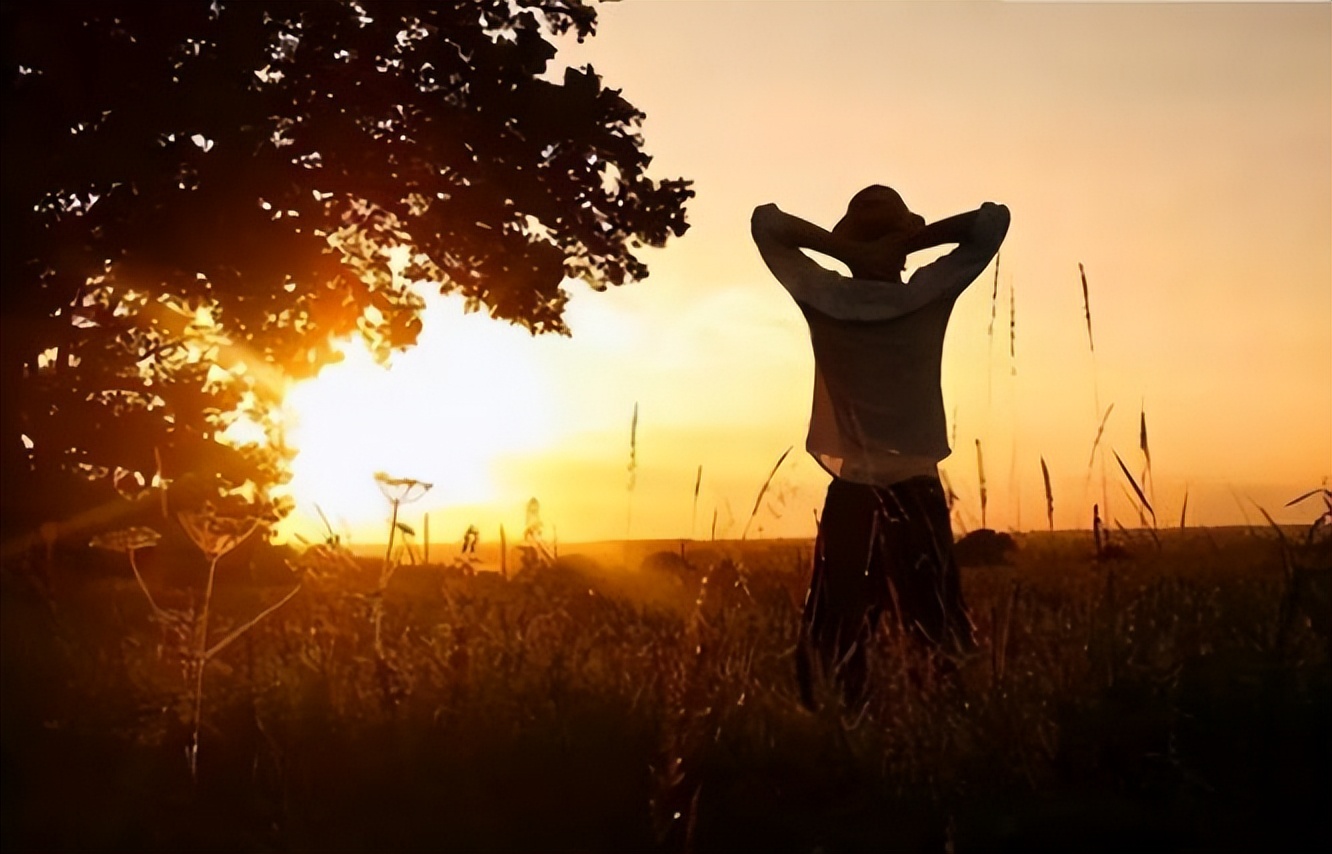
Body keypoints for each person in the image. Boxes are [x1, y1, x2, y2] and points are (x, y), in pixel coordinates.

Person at [750, 185, 1010, 709]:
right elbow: (991, 222)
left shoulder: (823, 296)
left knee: (835, 623)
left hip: (851, 491)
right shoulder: (925, 294)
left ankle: (840, 717)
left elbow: (766, 222)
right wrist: (910, 242)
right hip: (916, 487)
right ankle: (942, 718)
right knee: (934, 619)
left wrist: (848, 252)